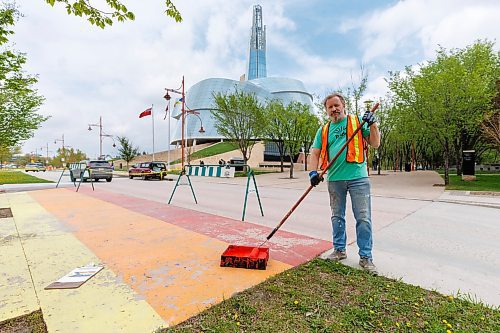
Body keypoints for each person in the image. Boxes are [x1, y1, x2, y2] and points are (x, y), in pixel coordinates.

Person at [309, 93, 380, 274]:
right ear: (326, 111)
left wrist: (372, 123)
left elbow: (375, 143)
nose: (334, 109)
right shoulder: (323, 130)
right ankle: (339, 250)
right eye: (330, 107)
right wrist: (313, 172)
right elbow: (315, 153)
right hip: (335, 179)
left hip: (358, 178)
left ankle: (366, 257)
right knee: (337, 216)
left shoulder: (357, 122)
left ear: (343, 105)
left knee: (363, 218)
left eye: (336, 105)